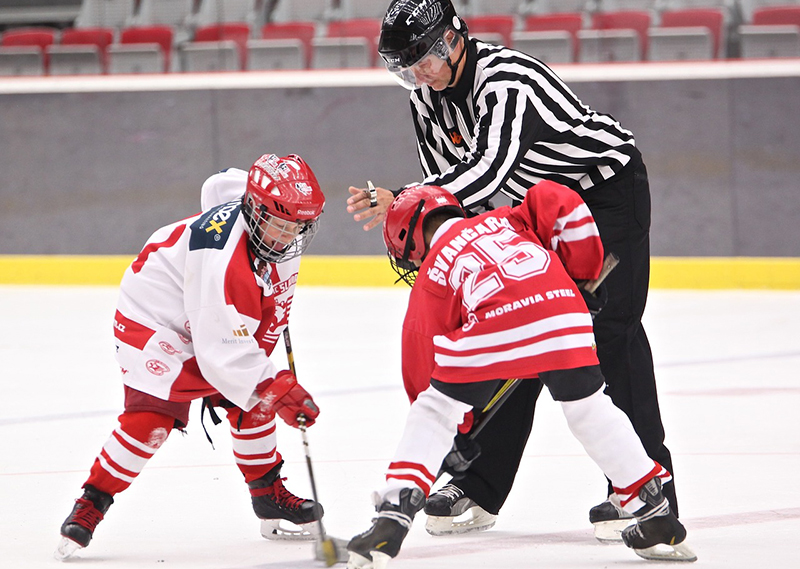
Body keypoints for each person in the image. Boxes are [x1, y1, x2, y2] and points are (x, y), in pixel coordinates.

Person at [346, 0, 678, 542]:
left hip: (606, 198)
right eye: (404, 66)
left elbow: (486, 169)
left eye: (423, 59)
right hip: (538, 209)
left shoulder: (506, 80)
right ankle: (479, 485)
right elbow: (449, 187)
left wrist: (405, 199)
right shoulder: (424, 98)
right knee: (513, 327)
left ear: (454, 39)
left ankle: (647, 489)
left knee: (609, 336)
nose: (418, 74)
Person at [345, 184, 695, 568]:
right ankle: (656, 512)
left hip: (496, 322)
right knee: (589, 408)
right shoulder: (504, 219)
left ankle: (392, 516)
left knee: (433, 409)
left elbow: (419, 357)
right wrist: (584, 271)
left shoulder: (434, 269)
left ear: (408, 239)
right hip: (564, 310)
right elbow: (556, 199)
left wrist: (457, 432)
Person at [55, 154, 327, 561]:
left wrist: (265, 380)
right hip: (155, 319)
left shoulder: (266, 217)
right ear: (254, 209)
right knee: (153, 421)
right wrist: (277, 386)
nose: (288, 236)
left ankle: (267, 493)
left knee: (251, 398)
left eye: (298, 226)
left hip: (205, 309)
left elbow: (220, 184)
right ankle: (92, 503)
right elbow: (221, 349)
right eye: (280, 224)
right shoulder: (219, 255)